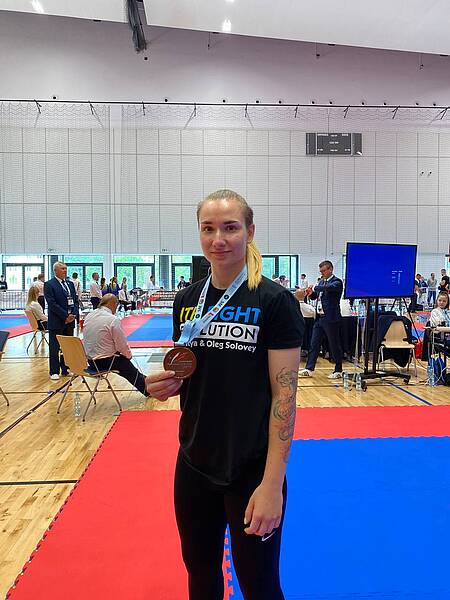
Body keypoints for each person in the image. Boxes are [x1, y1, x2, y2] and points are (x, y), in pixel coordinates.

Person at [146, 189, 303, 600]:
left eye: (230, 228)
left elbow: (284, 398)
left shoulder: (274, 301)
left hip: (251, 470)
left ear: (250, 232)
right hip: (193, 463)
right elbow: (192, 372)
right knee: (200, 576)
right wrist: (166, 384)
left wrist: (272, 484)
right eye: (208, 228)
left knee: (258, 585)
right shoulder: (187, 300)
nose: (219, 239)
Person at [83, 294, 148, 396]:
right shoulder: (112, 319)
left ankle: (146, 380)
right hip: (105, 361)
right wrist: (128, 355)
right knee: (127, 366)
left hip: (90, 360)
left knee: (131, 369)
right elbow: (121, 344)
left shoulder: (89, 316)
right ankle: (148, 389)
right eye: (116, 304)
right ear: (112, 304)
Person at [299, 260, 344, 379]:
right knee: (314, 343)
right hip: (319, 317)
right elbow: (316, 296)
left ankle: (338, 369)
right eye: (320, 271)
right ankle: (309, 368)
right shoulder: (322, 282)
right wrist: (311, 293)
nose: (322, 273)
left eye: (323, 271)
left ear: (330, 269)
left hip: (331, 318)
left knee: (334, 344)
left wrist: (315, 287)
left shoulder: (337, 282)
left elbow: (328, 288)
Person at [44, 261, 79, 380]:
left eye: (65, 268)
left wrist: (73, 314)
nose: (65, 270)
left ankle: (66, 368)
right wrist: (65, 316)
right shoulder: (49, 284)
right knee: (54, 347)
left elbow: (75, 300)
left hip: (70, 320)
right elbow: (52, 303)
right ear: (55, 271)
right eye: (62, 268)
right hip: (57, 321)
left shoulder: (70, 284)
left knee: (67, 347)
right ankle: (54, 371)